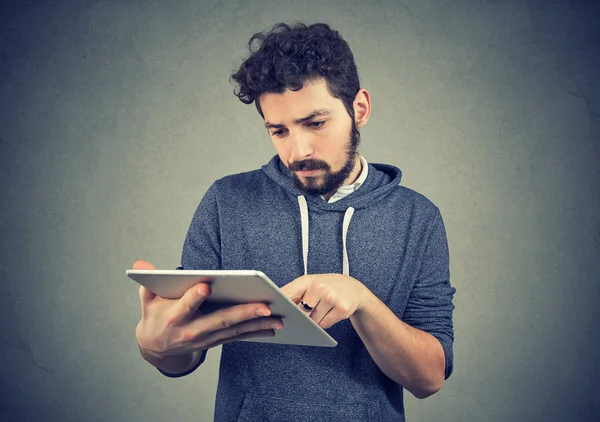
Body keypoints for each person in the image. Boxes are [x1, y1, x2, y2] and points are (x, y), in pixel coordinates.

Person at [134, 22, 455, 421]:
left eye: (316, 123)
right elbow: (185, 352)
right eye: (279, 131)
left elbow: (429, 378)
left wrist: (362, 301)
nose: (299, 149)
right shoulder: (226, 201)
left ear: (360, 109)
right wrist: (159, 347)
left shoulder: (417, 218)